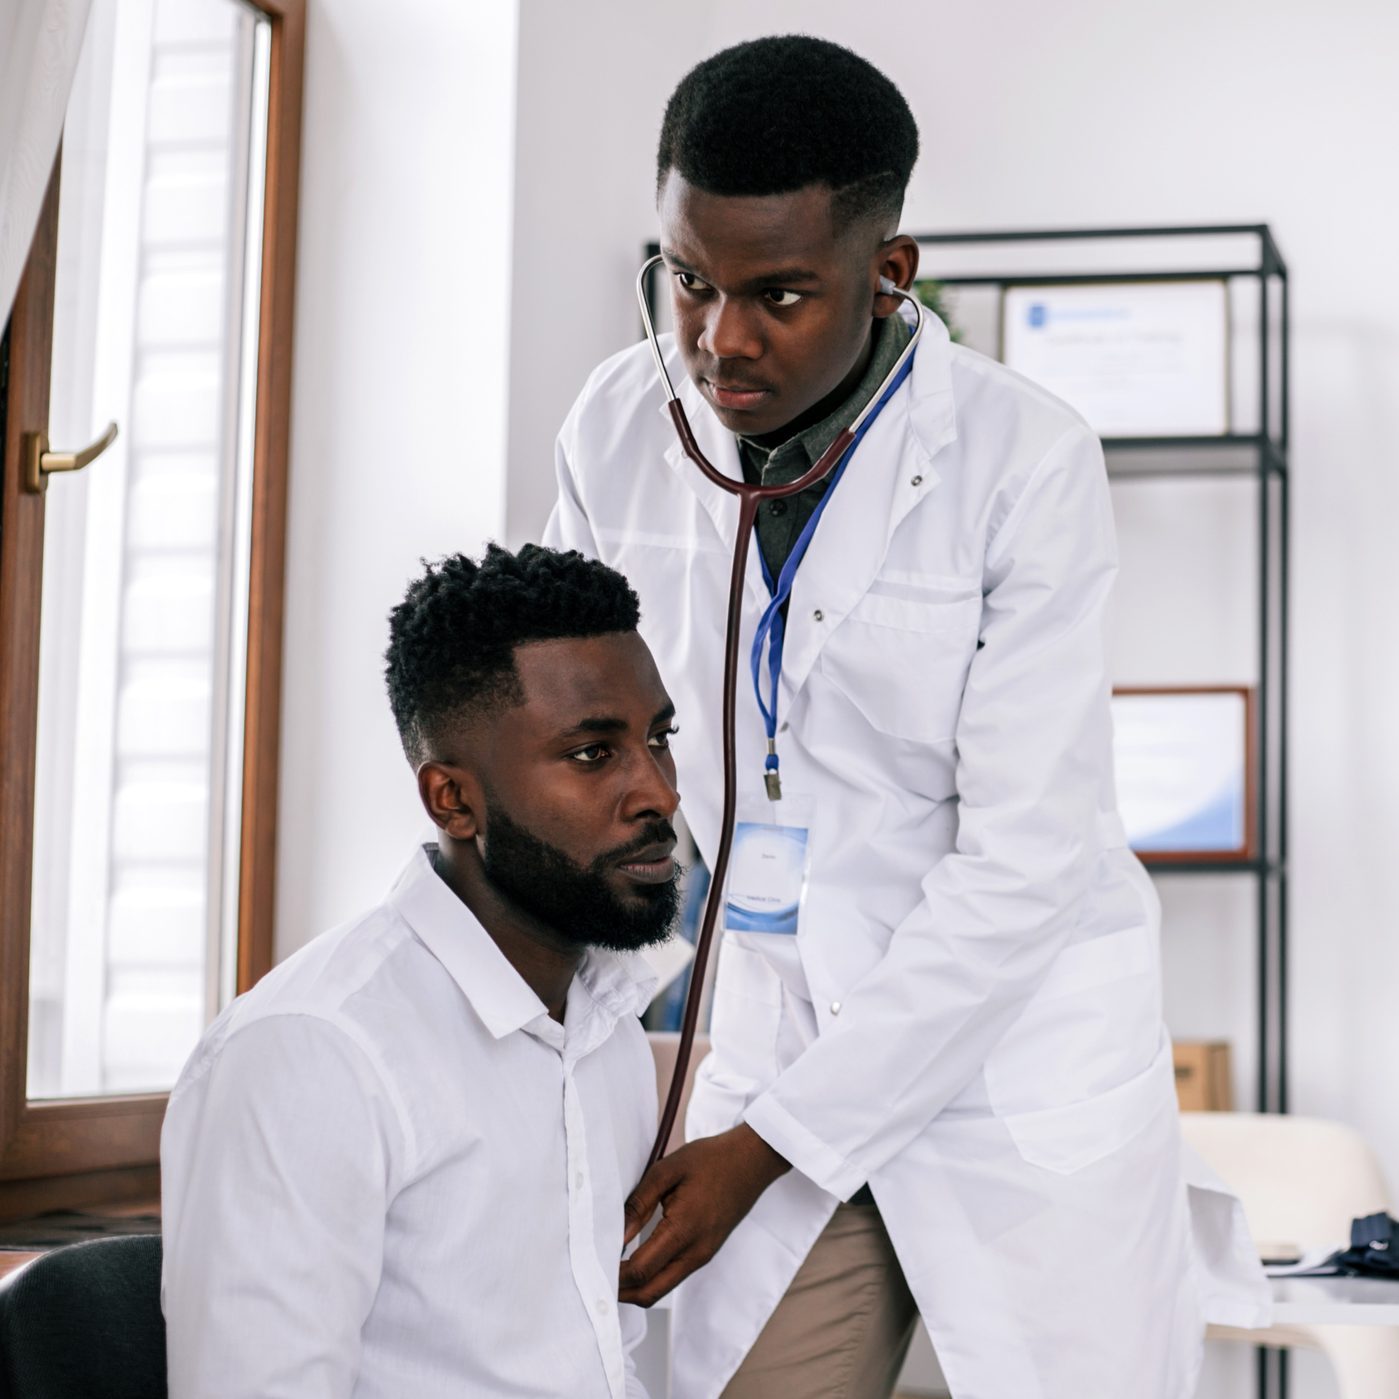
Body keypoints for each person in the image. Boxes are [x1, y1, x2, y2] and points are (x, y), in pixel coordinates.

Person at [545, 34, 1269, 1399]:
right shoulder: (614, 424)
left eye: (776, 295)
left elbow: (1020, 869)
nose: (718, 338)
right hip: (767, 1034)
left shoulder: (1020, 460)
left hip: (1002, 1053)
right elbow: (565, 735)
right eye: (688, 280)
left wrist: (766, 1143)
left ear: (887, 274)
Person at [161, 543, 682, 1399]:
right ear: (453, 799)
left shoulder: (601, 1027)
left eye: (658, 738)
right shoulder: (315, 1055)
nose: (658, 792)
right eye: (593, 754)